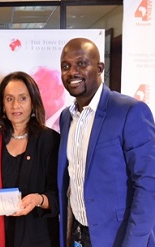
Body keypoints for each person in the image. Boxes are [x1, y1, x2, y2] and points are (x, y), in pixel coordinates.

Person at [57, 37, 155, 247]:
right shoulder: (66, 117)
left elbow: (149, 184)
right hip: (78, 236)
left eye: (82, 63)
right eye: (66, 66)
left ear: (100, 68)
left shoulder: (129, 111)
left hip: (118, 239)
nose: (73, 72)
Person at [0, 71, 60, 247]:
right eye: (9, 99)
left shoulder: (50, 140)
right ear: (2, 104)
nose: (16, 105)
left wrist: (39, 199)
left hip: (38, 236)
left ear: (33, 102)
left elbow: (58, 195)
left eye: (22, 98)